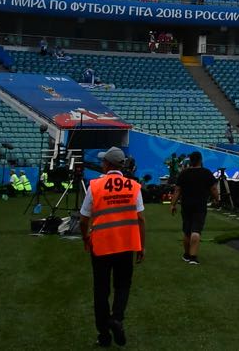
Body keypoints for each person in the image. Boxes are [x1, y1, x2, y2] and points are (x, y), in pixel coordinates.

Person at [80, 147, 145, 348]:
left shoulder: (95, 186)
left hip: (101, 245)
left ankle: (104, 335)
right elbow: (140, 218)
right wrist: (141, 246)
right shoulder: (133, 186)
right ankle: (116, 318)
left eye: (103, 162)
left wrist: (85, 238)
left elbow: (84, 218)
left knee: (101, 291)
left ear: (107, 164)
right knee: (122, 286)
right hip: (126, 245)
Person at [168, 152, 219, 265]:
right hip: (200, 205)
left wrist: (172, 204)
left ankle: (186, 255)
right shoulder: (206, 173)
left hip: (186, 205)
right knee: (196, 230)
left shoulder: (184, 173)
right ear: (200, 160)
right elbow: (214, 189)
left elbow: (177, 190)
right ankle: (193, 257)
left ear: (190, 160)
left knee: (187, 231)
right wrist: (217, 199)